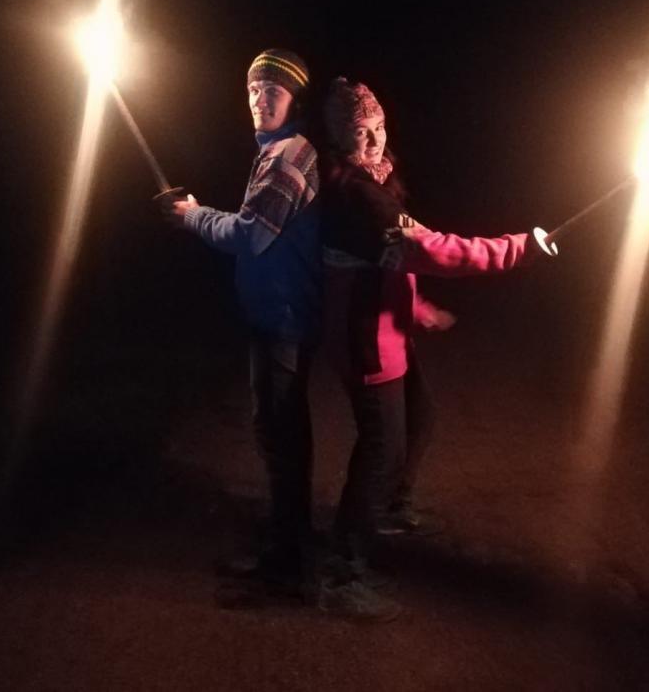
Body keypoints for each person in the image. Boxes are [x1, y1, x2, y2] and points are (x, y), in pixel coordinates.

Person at [318, 77, 552, 603]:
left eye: (379, 126)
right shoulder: (354, 193)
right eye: (360, 131)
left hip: (388, 331)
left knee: (419, 419)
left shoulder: (377, 179)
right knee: (381, 448)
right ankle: (342, 570)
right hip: (364, 340)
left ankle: (389, 509)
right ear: (338, 136)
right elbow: (427, 250)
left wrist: (416, 308)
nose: (374, 139)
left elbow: (387, 260)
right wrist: (516, 249)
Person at [162, 48, 320, 600]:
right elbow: (255, 225)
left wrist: (192, 216)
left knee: (280, 437)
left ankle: (287, 566)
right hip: (273, 314)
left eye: (273, 91)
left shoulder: (290, 156)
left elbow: (250, 235)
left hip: (283, 318)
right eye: (254, 89)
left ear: (294, 100)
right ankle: (287, 548)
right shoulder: (274, 151)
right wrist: (201, 212)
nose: (260, 99)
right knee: (279, 433)